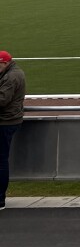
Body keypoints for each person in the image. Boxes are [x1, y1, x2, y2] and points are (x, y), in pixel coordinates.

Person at [0, 50, 26, 211]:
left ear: (4, 63)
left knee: (1, 161)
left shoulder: (11, 77)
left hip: (5, 122)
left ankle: (0, 199)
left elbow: (2, 100)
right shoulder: (9, 73)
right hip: (7, 120)